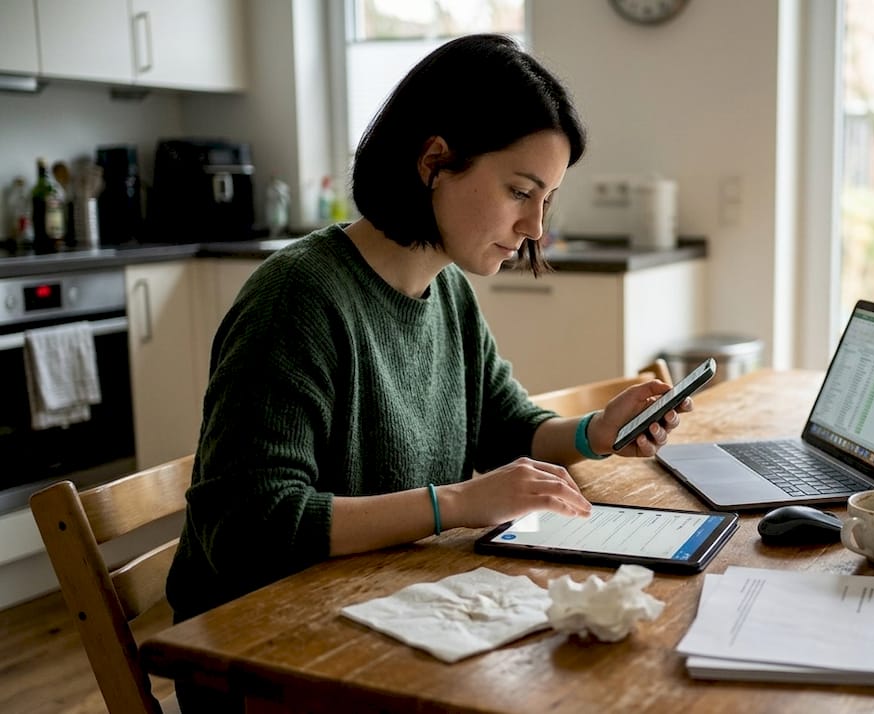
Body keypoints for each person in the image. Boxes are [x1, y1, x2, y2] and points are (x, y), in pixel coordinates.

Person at [165, 34, 690, 711]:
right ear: (435, 162)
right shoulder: (296, 298)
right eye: (520, 191)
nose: (535, 226)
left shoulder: (447, 294)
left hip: (382, 617)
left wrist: (598, 431)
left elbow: (507, 425)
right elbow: (248, 528)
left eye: (548, 200)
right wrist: (459, 504)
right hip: (268, 664)